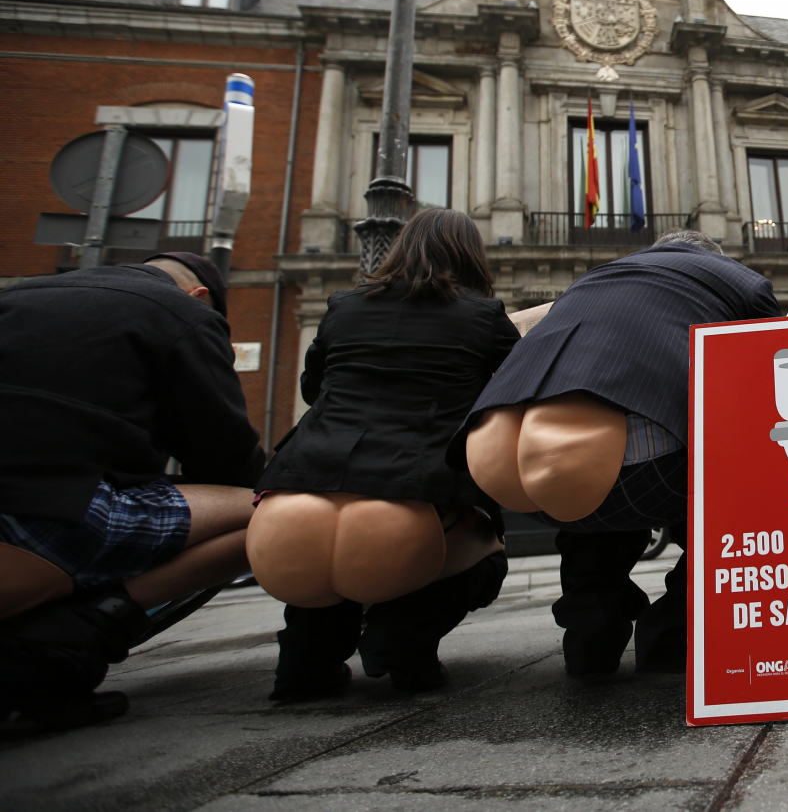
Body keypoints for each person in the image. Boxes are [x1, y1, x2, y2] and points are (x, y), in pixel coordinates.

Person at [458, 229, 778, 677]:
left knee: (585, 491)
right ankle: (671, 634)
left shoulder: (597, 277)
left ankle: (592, 638)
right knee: (743, 486)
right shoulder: (739, 278)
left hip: (497, 457)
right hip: (632, 460)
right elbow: (771, 370)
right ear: (712, 256)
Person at [247, 210, 518, 700]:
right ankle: (404, 642)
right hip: (415, 488)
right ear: (468, 255)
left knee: (320, 566)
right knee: (487, 558)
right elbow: (513, 393)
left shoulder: (343, 306)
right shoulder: (483, 316)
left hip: (301, 485)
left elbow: (313, 389)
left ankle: (305, 667)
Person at [0, 256, 261, 729]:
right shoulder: (184, 312)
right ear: (200, 296)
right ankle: (71, 637)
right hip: (52, 514)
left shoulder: (13, 295)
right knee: (272, 511)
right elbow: (227, 460)